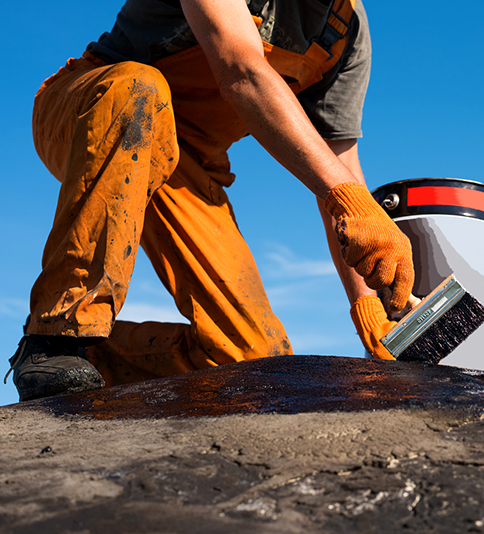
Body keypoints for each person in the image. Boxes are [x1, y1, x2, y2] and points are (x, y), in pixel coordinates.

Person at [5, 0, 412, 402]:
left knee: (252, 362)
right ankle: (56, 338)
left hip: (187, 167)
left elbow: (340, 169)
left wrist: (368, 306)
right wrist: (347, 197)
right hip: (96, 112)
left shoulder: (345, 30)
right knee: (136, 90)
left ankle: (91, 359)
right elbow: (241, 69)